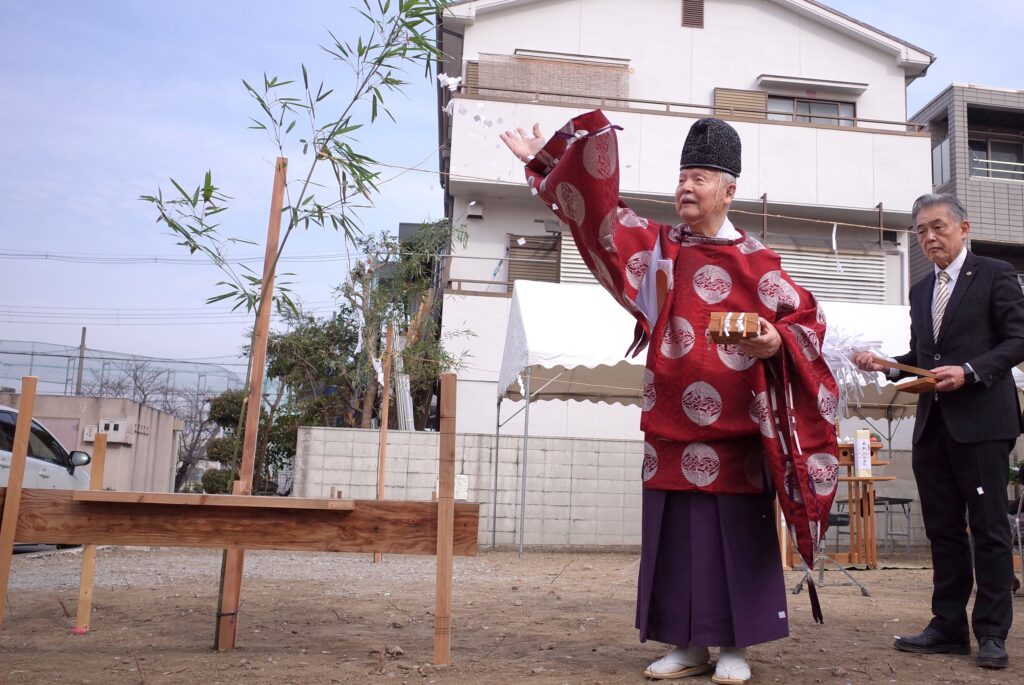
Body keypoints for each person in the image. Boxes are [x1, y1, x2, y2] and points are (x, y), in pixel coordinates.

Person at [501, 111, 840, 683]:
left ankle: (735, 646)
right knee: (676, 537)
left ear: (729, 190)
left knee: (735, 537)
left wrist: (774, 339)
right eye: (682, 175)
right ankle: (685, 644)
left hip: (736, 434)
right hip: (669, 425)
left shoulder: (762, 265)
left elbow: (809, 322)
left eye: (700, 177)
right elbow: (601, 219)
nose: (686, 186)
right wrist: (546, 161)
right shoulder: (659, 252)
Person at [853, 193, 1024, 670]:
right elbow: (921, 357)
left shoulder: (995, 274)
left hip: (984, 423)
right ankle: (947, 625)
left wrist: (969, 370)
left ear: (963, 228)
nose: (929, 238)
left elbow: (1019, 338)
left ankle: (991, 632)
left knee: (988, 530)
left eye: (938, 227)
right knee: (943, 531)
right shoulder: (921, 291)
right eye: (921, 231)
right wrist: (885, 366)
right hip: (933, 425)